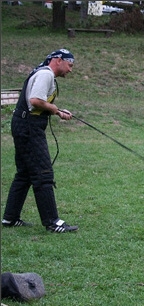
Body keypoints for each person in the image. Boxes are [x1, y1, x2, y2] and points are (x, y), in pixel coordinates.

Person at [2, 49, 79, 233]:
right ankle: (52, 222)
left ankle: (10, 219)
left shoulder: (41, 72)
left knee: (24, 174)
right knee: (43, 174)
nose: (70, 70)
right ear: (58, 60)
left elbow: (36, 104)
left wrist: (58, 112)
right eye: (70, 65)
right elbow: (35, 100)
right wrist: (53, 108)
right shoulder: (46, 74)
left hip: (22, 124)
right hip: (29, 128)